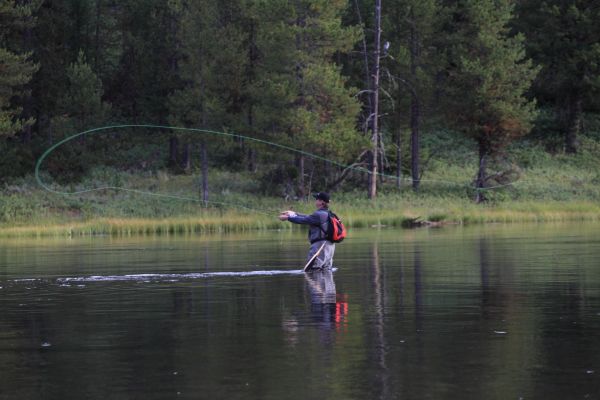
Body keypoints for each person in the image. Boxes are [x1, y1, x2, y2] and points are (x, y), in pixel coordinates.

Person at [279, 192, 335, 271]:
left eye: (317, 199)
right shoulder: (329, 214)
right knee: (326, 271)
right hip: (330, 247)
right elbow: (309, 217)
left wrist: (288, 218)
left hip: (320, 246)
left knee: (312, 270)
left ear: (321, 202)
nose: (315, 201)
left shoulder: (319, 215)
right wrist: (293, 214)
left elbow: (304, 220)